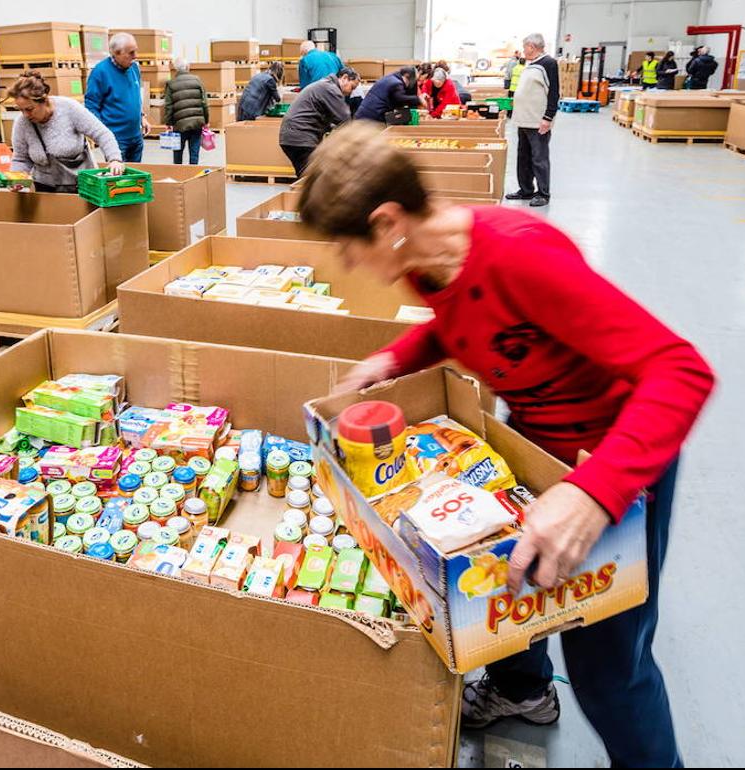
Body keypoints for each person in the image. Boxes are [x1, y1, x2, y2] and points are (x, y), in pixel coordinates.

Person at [297, 122, 714, 770]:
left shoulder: (520, 256)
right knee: (507, 586)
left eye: (348, 251)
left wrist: (593, 496)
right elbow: (462, 322)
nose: (350, 268)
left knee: (610, 672)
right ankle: (525, 693)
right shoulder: (428, 263)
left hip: (616, 467)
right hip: (534, 447)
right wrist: (395, 357)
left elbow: (681, 371)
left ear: (386, 222)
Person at [7, 71, 124, 194]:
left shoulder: (68, 108)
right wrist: (16, 178)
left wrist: (115, 159)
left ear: (44, 100)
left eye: (29, 109)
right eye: (21, 110)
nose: (25, 115)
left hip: (83, 184)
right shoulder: (22, 123)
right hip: (45, 188)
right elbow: (21, 159)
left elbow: (102, 134)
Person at [506, 33, 558, 208]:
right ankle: (526, 189)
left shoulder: (548, 63)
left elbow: (554, 92)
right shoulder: (531, 64)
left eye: (524, 46)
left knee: (539, 158)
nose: (523, 50)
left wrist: (548, 117)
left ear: (532, 47)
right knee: (524, 157)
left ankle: (543, 193)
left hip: (537, 121)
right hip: (524, 120)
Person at [279, 68, 360, 177]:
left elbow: (329, 119)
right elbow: (345, 119)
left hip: (293, 136)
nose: (351, 92)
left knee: (308, 176)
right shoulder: (330, 89)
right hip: (301, 137)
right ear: (344, 78)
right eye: (352, 87)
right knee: (314, 178)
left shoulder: (325, 86)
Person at [86, 32, 151, 162]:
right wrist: (103, 135)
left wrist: (142, 117)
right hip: (116, 140)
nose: (135, 56)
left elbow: (135, 96)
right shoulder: (100, 72)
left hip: (136, 136)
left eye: (136, 51)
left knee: (136, 178)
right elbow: (91, 105)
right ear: (116, 53)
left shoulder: (133, 68)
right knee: (120, 180)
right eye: (131, 53)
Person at [162, 58, 208, 165]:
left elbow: (168, 106)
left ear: (175, 69)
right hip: (197, 123)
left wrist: (168, 123)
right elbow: (204, 102)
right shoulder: (197, 80)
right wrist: (206, 120)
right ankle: (193, 176)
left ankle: (179, 175)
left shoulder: (171, 84)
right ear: (188, 67)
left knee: (178, 153)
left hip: (179, 125)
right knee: (194, 153)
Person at [354, 66, 421, 123]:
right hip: (370, 119)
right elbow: (401, 99)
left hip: (364, 115)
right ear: (407, 76)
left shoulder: (390, 78)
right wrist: (418, 99)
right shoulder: (396, 83)